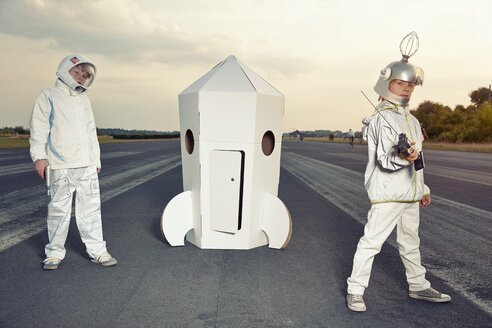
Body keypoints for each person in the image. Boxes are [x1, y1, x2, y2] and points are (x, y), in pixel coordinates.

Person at [346, 32, 450, 312]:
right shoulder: (381, 117)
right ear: (387, 83)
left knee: (410, 242)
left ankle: (418, 286)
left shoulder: (412, 119)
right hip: (389, 193)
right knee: (372, 242)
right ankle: (355, 290)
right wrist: (403, 156)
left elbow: (419, 157)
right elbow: (385, 159)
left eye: (410, 84)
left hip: (410, 195)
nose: (406, 88)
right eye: (400, 83)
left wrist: (423, 189)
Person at [29, 54, 117, 270]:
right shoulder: (48, 95)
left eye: (85, 75)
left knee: (91, 209)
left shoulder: (84, 100)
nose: (80, 77)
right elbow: (39, 129)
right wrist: (39, 157)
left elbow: (90, 132)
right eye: (76, 72)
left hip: (86, 165)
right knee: (59, 209)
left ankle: (98, 251)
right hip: (60, 165)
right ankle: (54, 253)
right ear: (64, 70)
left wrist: (95, 159)